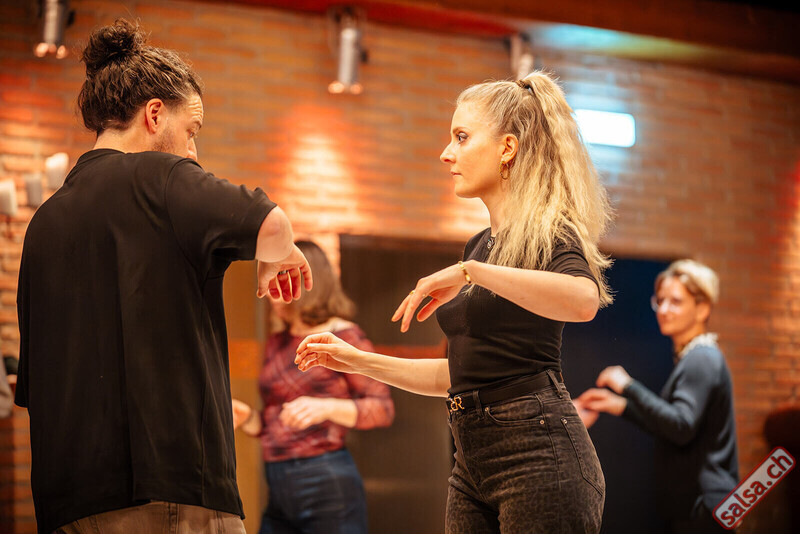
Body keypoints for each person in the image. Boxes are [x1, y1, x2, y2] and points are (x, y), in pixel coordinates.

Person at [15, 19, 311, 534]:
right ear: (155, 115)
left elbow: (34, 386)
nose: (193, 150)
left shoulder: (45, 220)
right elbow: (274, 224)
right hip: (168, 496)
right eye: (192, 131)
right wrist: (277, 253)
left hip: (65, 503)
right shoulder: (161, 176)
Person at [295, 71, 612, 534]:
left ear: (507, 148)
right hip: (471, 461)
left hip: (540, 455)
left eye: (461, 137)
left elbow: (584, 300)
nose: (447, 153)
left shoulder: (550, 231)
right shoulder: (479, 245)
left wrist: (470, 273)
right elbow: (458, 376)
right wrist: (356, 361)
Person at [232, 240, 395, 534]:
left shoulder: (342, 335)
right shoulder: (277, 341)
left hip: (326, 481)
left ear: (305, 281)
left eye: (280, 281)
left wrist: (326, 407)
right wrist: (248, 417)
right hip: (278, 483)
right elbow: (275, 419)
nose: (271, 293)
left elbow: (383, 408)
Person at [577, 259, 738, 534]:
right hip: (701, 506)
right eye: (660, 301)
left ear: (702, 309)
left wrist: (628, 386)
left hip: (703, 507)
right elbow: (672, 425)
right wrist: (621, 406)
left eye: (676, 302)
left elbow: (680, 426)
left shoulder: (701, 357)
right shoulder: (695, 356)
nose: (663, 310)